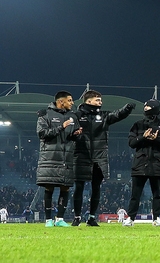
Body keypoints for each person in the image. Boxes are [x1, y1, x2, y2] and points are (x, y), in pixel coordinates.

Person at [71, 90, 134, 226]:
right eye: (97, 100)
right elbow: (68, 133)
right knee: (79, 187)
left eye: (100, 100)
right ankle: (77, 217)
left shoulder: (103, 116)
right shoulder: (76, 116)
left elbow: (117, 115)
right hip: (81, 155)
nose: (100, 102)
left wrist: (127, 109)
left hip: (99, 158)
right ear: (88, 101)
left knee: (96, 188)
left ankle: (92, 218)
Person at [124, 99, 160, 227]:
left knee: (157, 193)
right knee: (135, 194)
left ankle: (157, 218)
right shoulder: (138, 124)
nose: (145, 109)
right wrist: (143, 137)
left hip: (157, 163)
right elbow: (131, 143)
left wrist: (157, 138)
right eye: (145, 107)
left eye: (148, 107)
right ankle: (130, 218)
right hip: (140, 163)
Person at [36, 91, 82, 227]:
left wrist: (77, 134)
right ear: (61, 102)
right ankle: (48, 220)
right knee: (49, 187)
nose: (72, 103)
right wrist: (61, 127)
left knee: (65, 187)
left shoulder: (72, 116)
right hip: (50, 157)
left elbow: (74, 137)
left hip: (66, 157)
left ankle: (60, 219)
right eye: (70, 100)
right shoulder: (45, 115)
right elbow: (42, 134)